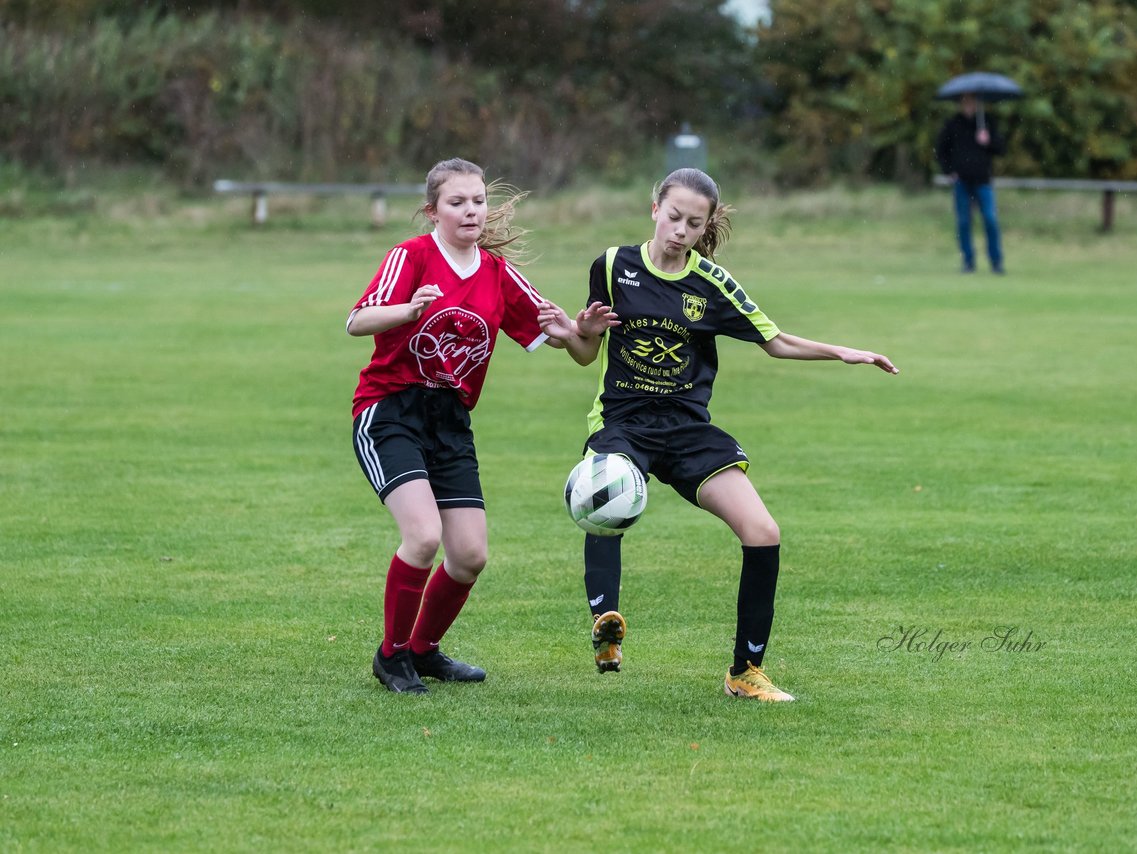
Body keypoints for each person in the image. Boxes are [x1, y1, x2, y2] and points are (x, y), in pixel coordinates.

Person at [538, 168, 899, 702]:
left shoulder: (712, 284)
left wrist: (842, 351)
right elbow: (587, 351)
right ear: (654, 207)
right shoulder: (613, 265)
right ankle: (605, 624)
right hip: (623, 422)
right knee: (604, 491)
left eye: (694, 223)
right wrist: (580, 334)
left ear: (705, 226)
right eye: (675, 216)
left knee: (763, 531)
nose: (681, 230)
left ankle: (745, 672)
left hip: (687, 429)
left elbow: (775, 341)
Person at [347, 157, 577, 695]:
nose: (470, 210)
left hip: (450, 422)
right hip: (391, 410)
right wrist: (406, 311)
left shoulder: (497, 273)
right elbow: (357, 321)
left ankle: (424, 652)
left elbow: (574, 349)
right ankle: (392, 656)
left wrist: (580, 331)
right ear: (433, 210)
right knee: (423, 537)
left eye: (477, 201)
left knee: (470, 555)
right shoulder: (412, 256)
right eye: (457, 202)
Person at [936, 93, 1007, 274]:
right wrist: (949, 170)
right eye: (965, 101)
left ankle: (996, 261)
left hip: (983, 180)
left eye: (971, 101)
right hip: (962, 181)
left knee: (990, 220)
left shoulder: (986, 123)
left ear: (977, 103)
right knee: (964, 222)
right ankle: (968, 261)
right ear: (961, 103)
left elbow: (1001, 149)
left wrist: (987, 140)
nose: (968, 105)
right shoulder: (953, 124)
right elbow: (941, 150)